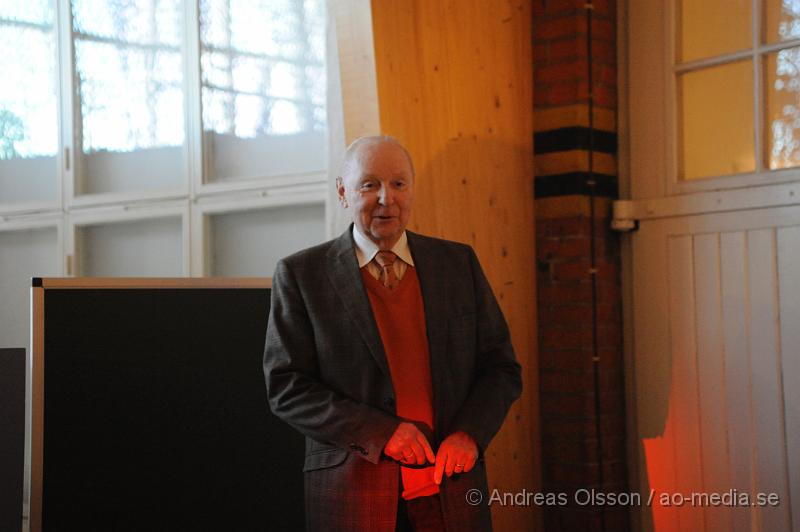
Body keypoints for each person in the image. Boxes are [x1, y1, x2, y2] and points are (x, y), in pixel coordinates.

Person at [263, 136, 521, 531]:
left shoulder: (458, 264)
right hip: (353, 497)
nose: (387, 198)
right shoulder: (302, 275)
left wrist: (470, 433)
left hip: (450, 493)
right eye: (369, 185)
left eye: (399, 184)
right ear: (342, 191)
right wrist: (381, 433)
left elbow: (500, 368)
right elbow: (287, 387)